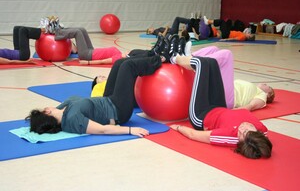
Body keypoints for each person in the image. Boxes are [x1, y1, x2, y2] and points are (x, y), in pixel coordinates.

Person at [26, 55, 163, 136]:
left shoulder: (62, 110)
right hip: (118, 110)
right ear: (47, 111)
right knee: (128, 67)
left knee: (118, 63)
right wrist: (130, 130)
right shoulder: (73, 121)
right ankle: (161, 58)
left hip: (108, 98)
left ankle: (151, 53)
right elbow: (102, 130)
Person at [169, 55, 272, 159]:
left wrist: (178, 127)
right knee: (213, 62)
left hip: (201, 115)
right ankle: (181, 55)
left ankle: (172, 57)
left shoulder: (227, 135)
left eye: (240, 136)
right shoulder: (262, 130)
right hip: (219, 106)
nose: (240, 130)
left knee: (201, 64)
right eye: (245, 131)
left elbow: (193, 135)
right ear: (258, 132)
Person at [190, 46, 275, 111]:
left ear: (269, 94)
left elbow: (250, 106)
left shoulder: (262, 96)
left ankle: (196, 63)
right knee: (214, 49)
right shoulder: (254, 89)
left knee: (227, 54)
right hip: (223, 91)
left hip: (228, 100)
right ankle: (189, 56)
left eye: (268, 86)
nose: (265, 84)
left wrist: (230, 113)